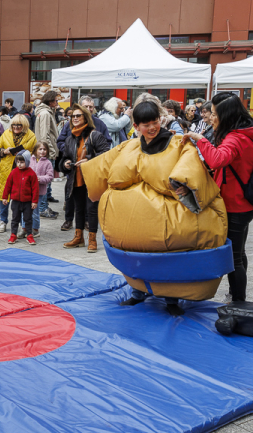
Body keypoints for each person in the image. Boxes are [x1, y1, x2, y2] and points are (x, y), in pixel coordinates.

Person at [85, 100, 226, 315]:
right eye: (146, 124)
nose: (152, 128)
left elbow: (190, 164)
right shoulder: (130, 146)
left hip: (167, 219)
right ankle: (138, 292)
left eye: (155, 122)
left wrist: (180, 183)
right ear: (136, 126)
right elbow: (105, 165)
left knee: (166, 257)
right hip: (132, 223)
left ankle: (171, 299)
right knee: (137, 257)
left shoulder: (177, 143)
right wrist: (85, 167)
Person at [182, 93, 253, 303]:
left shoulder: (235, 137)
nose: (211, 117)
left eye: (215, 114)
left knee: (233, 257)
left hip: (236, 203)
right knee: (239, 252)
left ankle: (238, 302)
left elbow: (217, 159)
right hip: (243, 201)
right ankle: (236, 296)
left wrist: (198, 139)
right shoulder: (243, 132)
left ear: (226, 115)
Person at [59, 103, 111, 252]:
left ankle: (92, 240)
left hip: (92, 178)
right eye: (72, 116)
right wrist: (66, 163)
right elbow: (64, 159)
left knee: (91, 209)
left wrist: (89, 160)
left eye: (78, 116)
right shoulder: (70, 138)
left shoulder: (95, 135)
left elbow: (106, 154)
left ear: (85, 117)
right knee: (79, 209)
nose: (74, 118)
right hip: (76, 178)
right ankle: (79, 237)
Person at [0, 114, 36, 234]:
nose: (16, 127)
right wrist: (3, 151)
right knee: (4, 196)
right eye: (14, 125)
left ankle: (23, 225)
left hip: (23, 171)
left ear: (24, 125)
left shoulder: (31, 136)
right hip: (6, 169)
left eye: (19, 125)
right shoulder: (6, 133)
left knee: (23, 198)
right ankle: (3, 221)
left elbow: (34, 151)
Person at [2, 150, 39, 246]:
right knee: (15, 219)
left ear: (27, 162)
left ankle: (29, 235)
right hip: (16, 202)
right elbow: (8, 186)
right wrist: (5, 197)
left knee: (28, 219)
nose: (19, 164)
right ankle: (13, 234)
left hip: (27, 202)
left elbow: (35, 188)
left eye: (22, 162)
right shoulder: (13, 172)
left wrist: (34, 201)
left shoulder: (31, 173)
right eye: (18, 162)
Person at [31, 142, 55, 230]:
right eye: (40, 149)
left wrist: (40, 179)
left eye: (44, 149)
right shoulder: (30, 160)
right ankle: (25, 228)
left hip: (39, 191)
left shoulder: (48, 163)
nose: (42, 151)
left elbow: (50, 176)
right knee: (26, 211)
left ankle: (35, 229)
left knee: (35, 210)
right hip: (28, 190)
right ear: (35, 150)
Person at [34, 91, 60, 166]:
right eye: (56, 100)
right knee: (47, 177)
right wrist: (52, 152)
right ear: (50, 101)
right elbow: (44, 136)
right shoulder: (45, 113)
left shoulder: (46, 112)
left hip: (46, 152)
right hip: (47, 154)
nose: (57, 102)